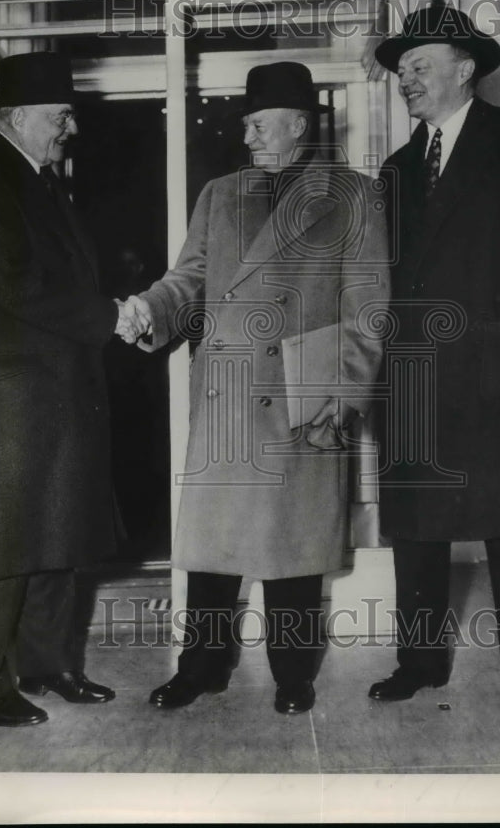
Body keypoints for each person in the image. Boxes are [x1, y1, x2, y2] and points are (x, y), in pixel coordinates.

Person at [123, 62, 389, 714]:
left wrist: (342, 397)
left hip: (304, 391)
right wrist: (149, 311)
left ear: (298, 123)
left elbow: (367, 309)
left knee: (292, 554)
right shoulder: (219, 194)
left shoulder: (352, 195)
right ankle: (202, 666)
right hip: (227, 393)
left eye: (258, 123)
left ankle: (292, 674)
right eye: (245, 125)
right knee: (213, 553)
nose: (247, 136)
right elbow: (187, 281)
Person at [369, 5, 500, 719]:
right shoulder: (394, 170)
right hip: (418, 375)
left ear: (464, 70)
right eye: (399, 72)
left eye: (419, 66)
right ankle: (418, 662)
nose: (406, 80)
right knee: (416, 529)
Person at [0, 52, 136, 727]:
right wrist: (111, 316)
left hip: (50, 395)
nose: (69, 128)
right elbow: (14, 283)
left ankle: (49, 668)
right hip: (1, 403)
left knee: (56, 536)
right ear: (16, 118)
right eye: (59, 116)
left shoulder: (37, 179)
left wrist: (106, 314)